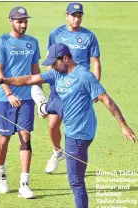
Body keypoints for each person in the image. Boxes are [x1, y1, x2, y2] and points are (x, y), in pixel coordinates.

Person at [0, 43, 138, 208]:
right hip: (71, 127)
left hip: (80, 134)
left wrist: (123, 125)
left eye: (54, 62)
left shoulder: (84, 76)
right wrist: (3, 80)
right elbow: (30, 79)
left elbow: (106, 100)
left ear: (66, 58)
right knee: (56, 102)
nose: (52, 66)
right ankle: (45, 107)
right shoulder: (57, 74)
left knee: (76, 181)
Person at [0, 6, 46, 199]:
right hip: (5, 99)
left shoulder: (33, 42)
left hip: (26, 99)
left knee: (25, 138)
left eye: (25, 21)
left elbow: (35, 71)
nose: (23, 25)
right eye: (19, 21)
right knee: (4, 139)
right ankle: (1, 176)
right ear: (11, 21)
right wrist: (8, 94)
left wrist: (41, 98)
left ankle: (24, 184)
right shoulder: (2, 42)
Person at [44, 2, 101, 174]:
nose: (76, 19)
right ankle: (57, 152)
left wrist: (94, 88)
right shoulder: (56, 34)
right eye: (73, 16)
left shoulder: (89, 36)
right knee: (53, 124)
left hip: (80, 88)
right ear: (66, 15)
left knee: (77, 126)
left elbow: (95, 63)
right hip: (60, 86)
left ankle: (77, 161)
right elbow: (49, 58)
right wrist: (53, 79)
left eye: (79, 16)